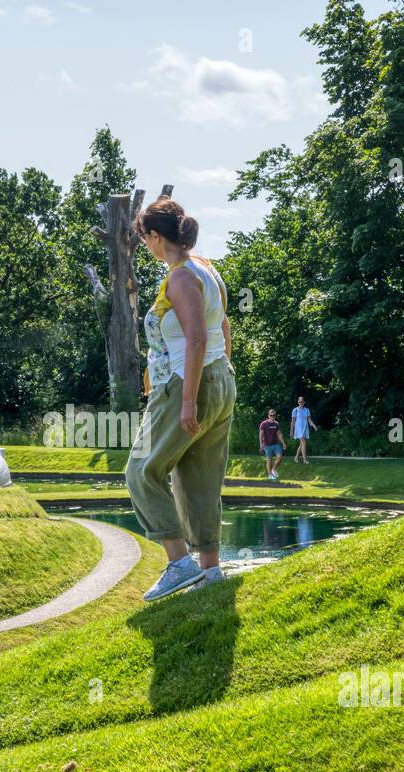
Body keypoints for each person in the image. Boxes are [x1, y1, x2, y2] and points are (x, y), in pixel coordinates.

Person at [125, 198, 237, 600]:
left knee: (141, 470)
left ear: (156, 236)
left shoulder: (180, 278)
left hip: (186, 384)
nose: (147, 246)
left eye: (145, 239)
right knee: (199, 481)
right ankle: (209, 572)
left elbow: (196, 338)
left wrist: (188, 401)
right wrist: (222, 373)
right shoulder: (206, 267)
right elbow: (222, 323)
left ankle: (178, 564)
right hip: (219, 380)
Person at [259, 409, 286, 480]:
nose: (272, 417)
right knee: (269, 460)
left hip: (275, 444)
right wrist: (261, 444)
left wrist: (283, 443)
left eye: (274, 415)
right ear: (268, 416)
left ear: (275, 416)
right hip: (267, 445)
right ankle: (270, 475)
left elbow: (279, 434)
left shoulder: (276, 424)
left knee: (280, 458)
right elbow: (261, 434)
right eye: (271, 415)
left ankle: (273, 470)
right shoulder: (264, 424)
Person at [290, 396, 314, 464]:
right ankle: (304, 460)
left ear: (304, 402)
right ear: (298, 402)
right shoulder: (295, 410)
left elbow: (309, 419)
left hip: (305, 428)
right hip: (298, 429)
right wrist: (291, 431)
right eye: (299, 402)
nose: (300, 403)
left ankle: (296, 457)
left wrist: (313, 424)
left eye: (302, 402)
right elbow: (293, 421)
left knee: (301, 444)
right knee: (304, 443)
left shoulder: (307, 410)